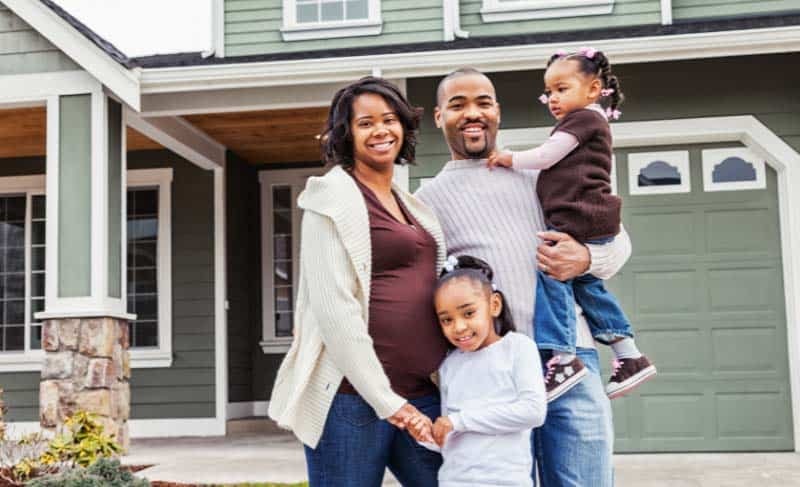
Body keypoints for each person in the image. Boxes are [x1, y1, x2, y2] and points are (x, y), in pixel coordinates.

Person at [416, 66, 631, 486]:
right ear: (439, 117)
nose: (472, 114)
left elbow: (619, 245)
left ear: (497, 111)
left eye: (483, 102)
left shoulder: (544, 171)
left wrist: (584, 259)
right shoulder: (427, 203)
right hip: (491, 370)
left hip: (568, 359)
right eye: (458, 105)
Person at [267, 76, 448, 487]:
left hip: (421, 392)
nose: (381, 130)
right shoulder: (329, 198)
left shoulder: (413, 204)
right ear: (346, 134)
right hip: (351, 400)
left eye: (389, 120)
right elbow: (335, 311)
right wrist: (388, 403)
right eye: (366, 123)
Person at [487, 47, 656, 401]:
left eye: (562, 89)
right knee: (588, 287)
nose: (552, 98)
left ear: (593, 89)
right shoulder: (588, 120)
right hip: (587, 217)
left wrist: (508, 158)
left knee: (553, 274)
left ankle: (564, 358)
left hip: (580, 217)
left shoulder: (583, 120)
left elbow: (546, 156)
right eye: (548, 91)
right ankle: (629, 354)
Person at [408, 255, 547, 487]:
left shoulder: (518, 348)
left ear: (494, 305)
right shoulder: (449, 364)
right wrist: (429, 437)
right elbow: (453, 436)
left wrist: (457, 421)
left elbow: (533, 411)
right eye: (446, 320)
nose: (459, 327)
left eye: (468, 313)